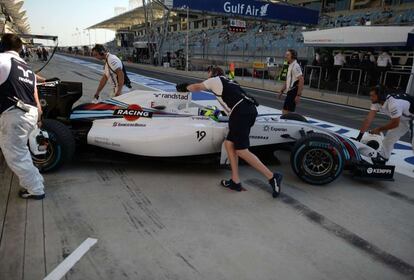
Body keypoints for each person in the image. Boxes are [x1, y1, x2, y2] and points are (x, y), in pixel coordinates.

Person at [175, 66, 283, 197]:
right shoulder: (229, 81)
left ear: (213, 73)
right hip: (246, 111)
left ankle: (272, 177)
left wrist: (184, 87)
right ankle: (235, 181)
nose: (207, 77)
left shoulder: (214, 80)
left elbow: (197, 87)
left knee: (242, 151)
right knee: (229, 144)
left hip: (241, 113)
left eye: (208, 73)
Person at [0, 33, 45, 199]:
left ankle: (36, 190)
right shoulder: (25, 66)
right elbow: (35, 94)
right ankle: (36, 182)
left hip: (15, 114)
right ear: (20, 49)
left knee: (16, 155)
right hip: (30, 113)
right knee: (21, 152)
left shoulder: (2, 60)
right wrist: (39, 115)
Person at [356, 86, 413, 162]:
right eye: (370, 95)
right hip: (404, 118)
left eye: (373, 96)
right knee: (389, 138)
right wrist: (359, 137)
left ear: (380, 96)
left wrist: (379, 129)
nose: (371, 98)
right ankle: (383, 157)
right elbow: (368, 120)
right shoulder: (376, 102)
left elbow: (395, 123)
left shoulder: (394, 103)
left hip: (410, 118)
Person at [278, 49, 304, 115]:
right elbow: (288, 80)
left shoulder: (295, 66)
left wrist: (298, 95)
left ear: (293, 56)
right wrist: (281, 91)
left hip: (293, 92)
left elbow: (301, 80)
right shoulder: (290, 65)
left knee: (286, 113)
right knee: (287, 112)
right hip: (290, 92)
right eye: (286, 55)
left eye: (288, 55)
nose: (286, 56)